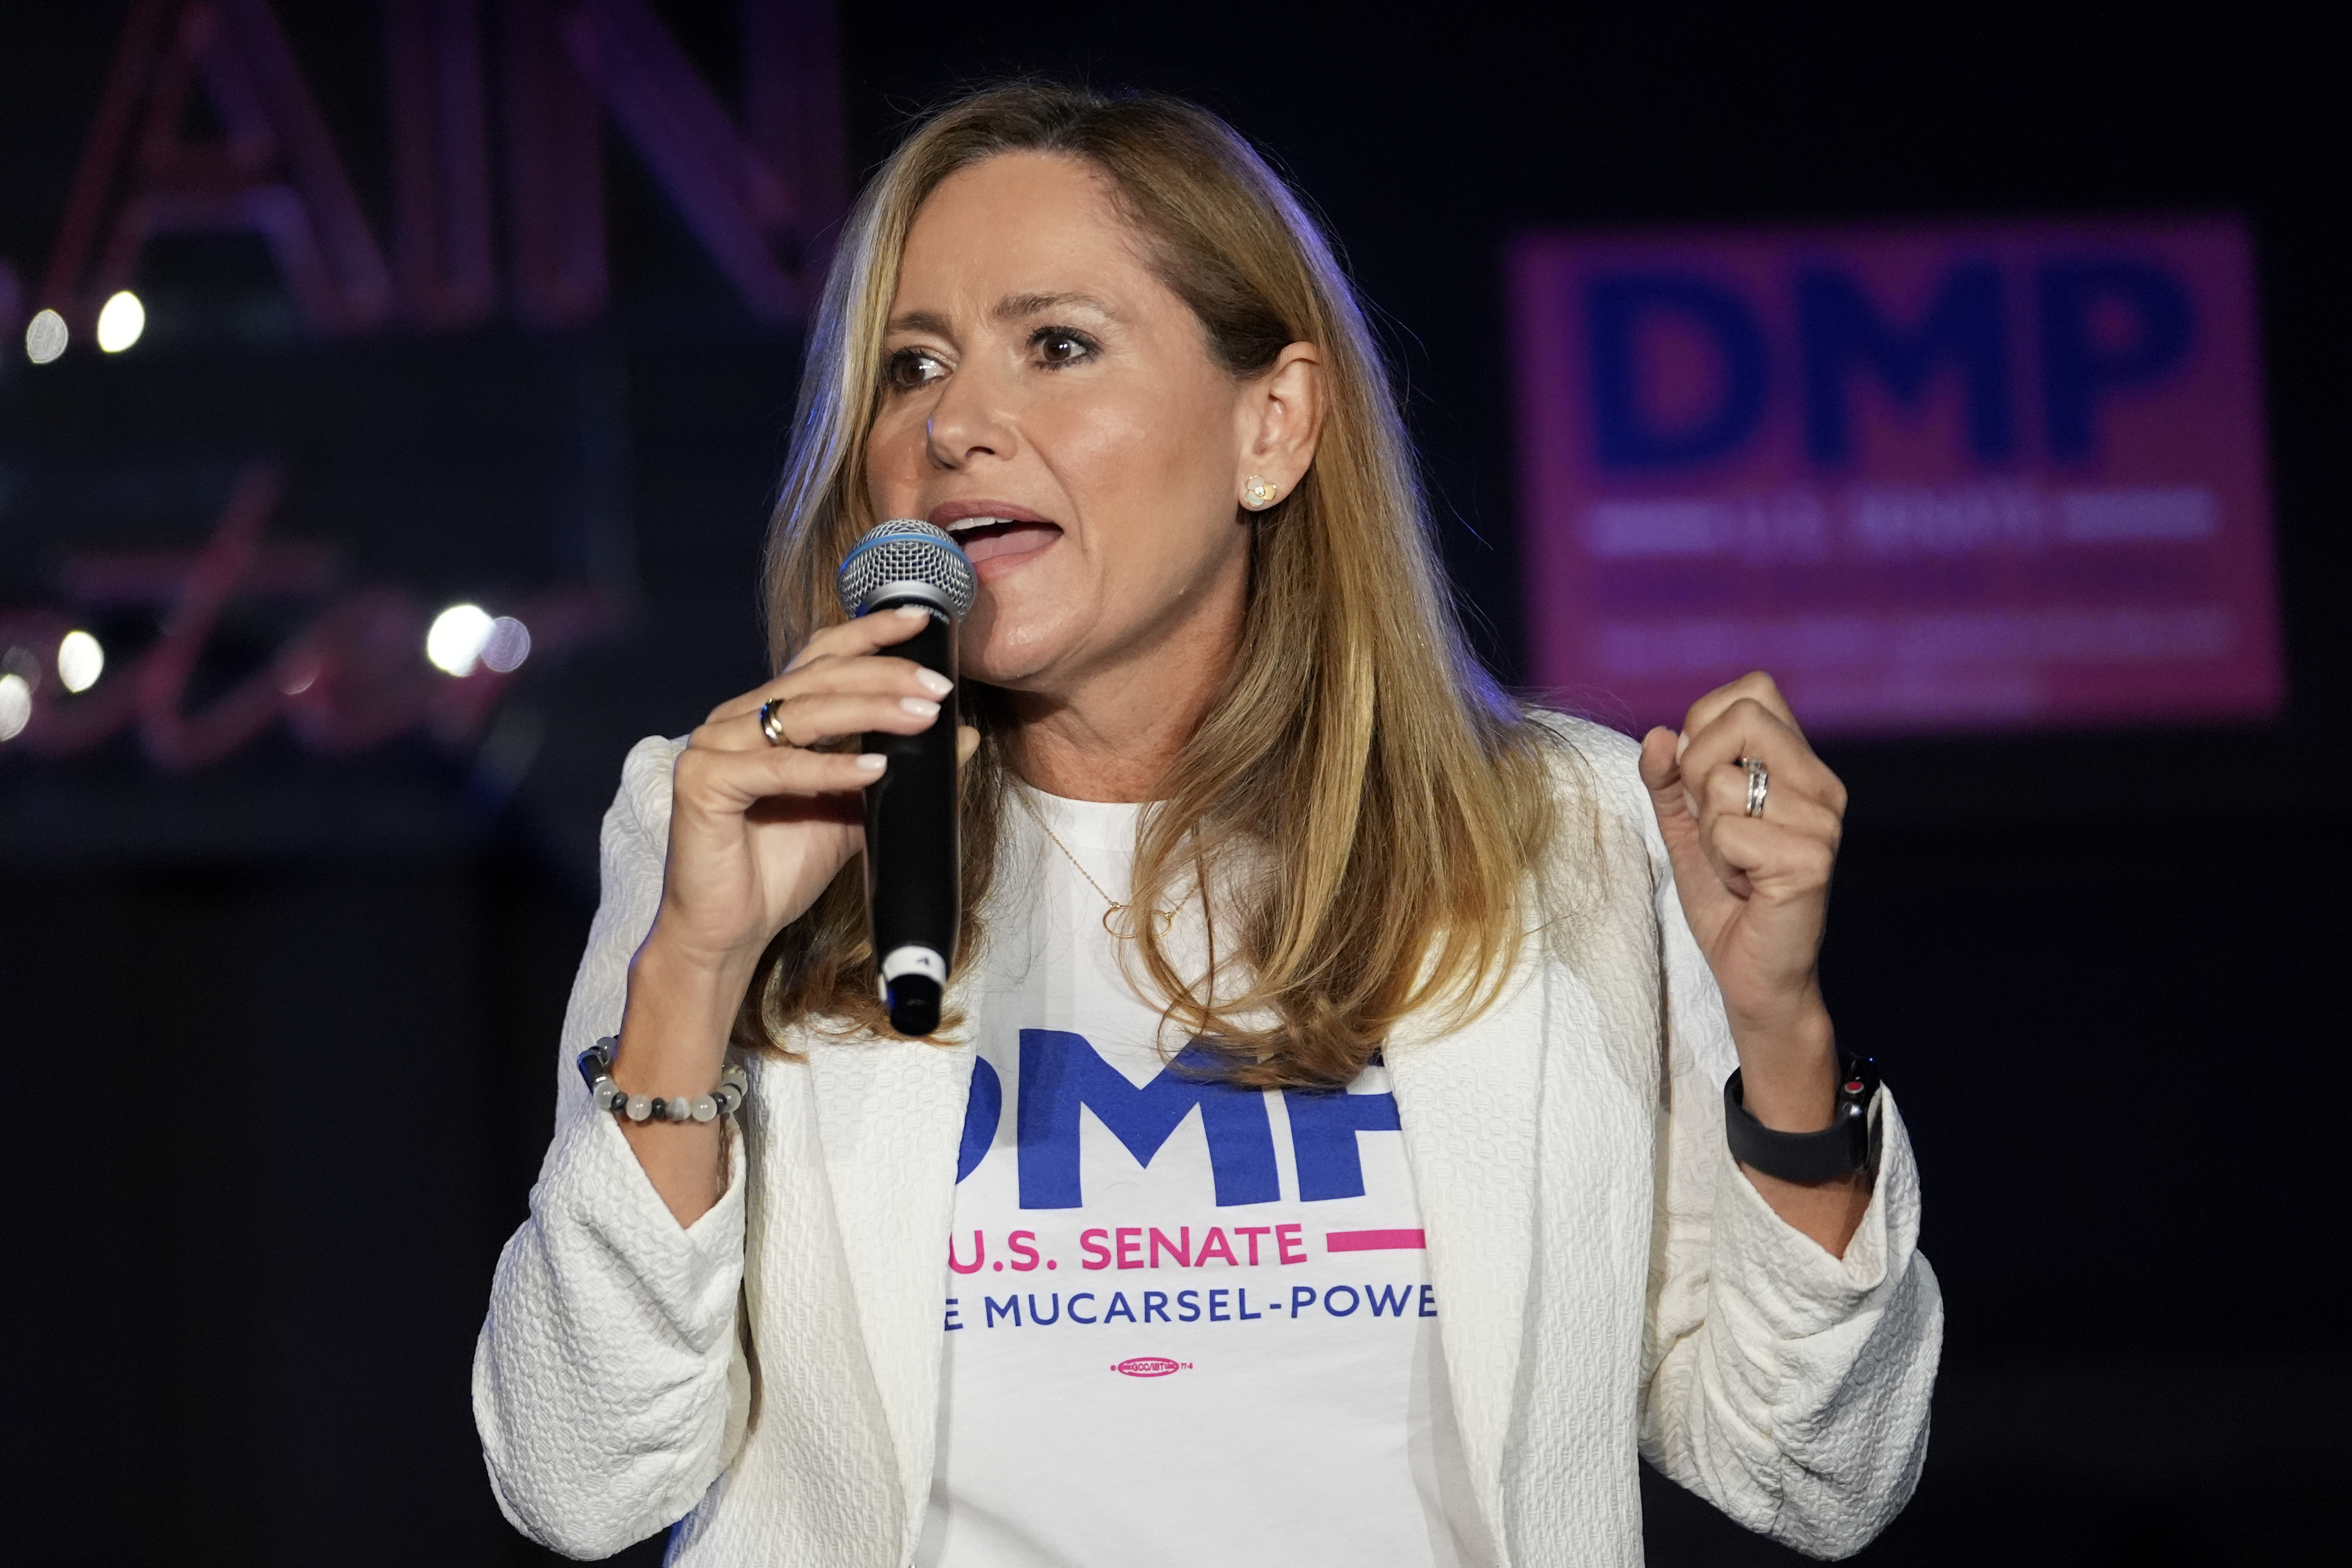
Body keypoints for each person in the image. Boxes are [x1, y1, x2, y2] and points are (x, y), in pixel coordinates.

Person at [473, 81, 1940, 1568]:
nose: (956, 425)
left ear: (1274, 427)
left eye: (1057, 347)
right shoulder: (728, 824)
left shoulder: (1560, 830)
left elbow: (1815, 1474)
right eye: (911, 366)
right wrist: (694, 975)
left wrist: (1782, 1033)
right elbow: (582, 1476)